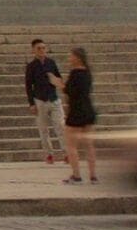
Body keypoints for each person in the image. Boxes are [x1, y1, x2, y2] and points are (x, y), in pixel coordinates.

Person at [22, 39, 65, 168]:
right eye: (39, 48)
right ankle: (49, 154)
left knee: (60, 126)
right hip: (40, 100)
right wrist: (31, 103)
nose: (42, 50)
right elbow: (28, 86)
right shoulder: (31, 66)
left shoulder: (51, 63)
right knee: (43, 129)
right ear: (33, 50)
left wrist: (56, 81)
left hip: (53, 98)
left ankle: (66, 152)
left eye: (43, 48)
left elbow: (58, 78)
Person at [61, 47, 100, 183]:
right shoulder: (88, 73)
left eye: (71, 56)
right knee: (89, 145)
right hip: (88, 110)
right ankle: (93, 175)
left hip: (76, 111)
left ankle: (76, 175)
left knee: (71, 145)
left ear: (77, 57)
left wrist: (57, 83)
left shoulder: (75, 73)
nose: (69, 59)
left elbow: (68, 91)